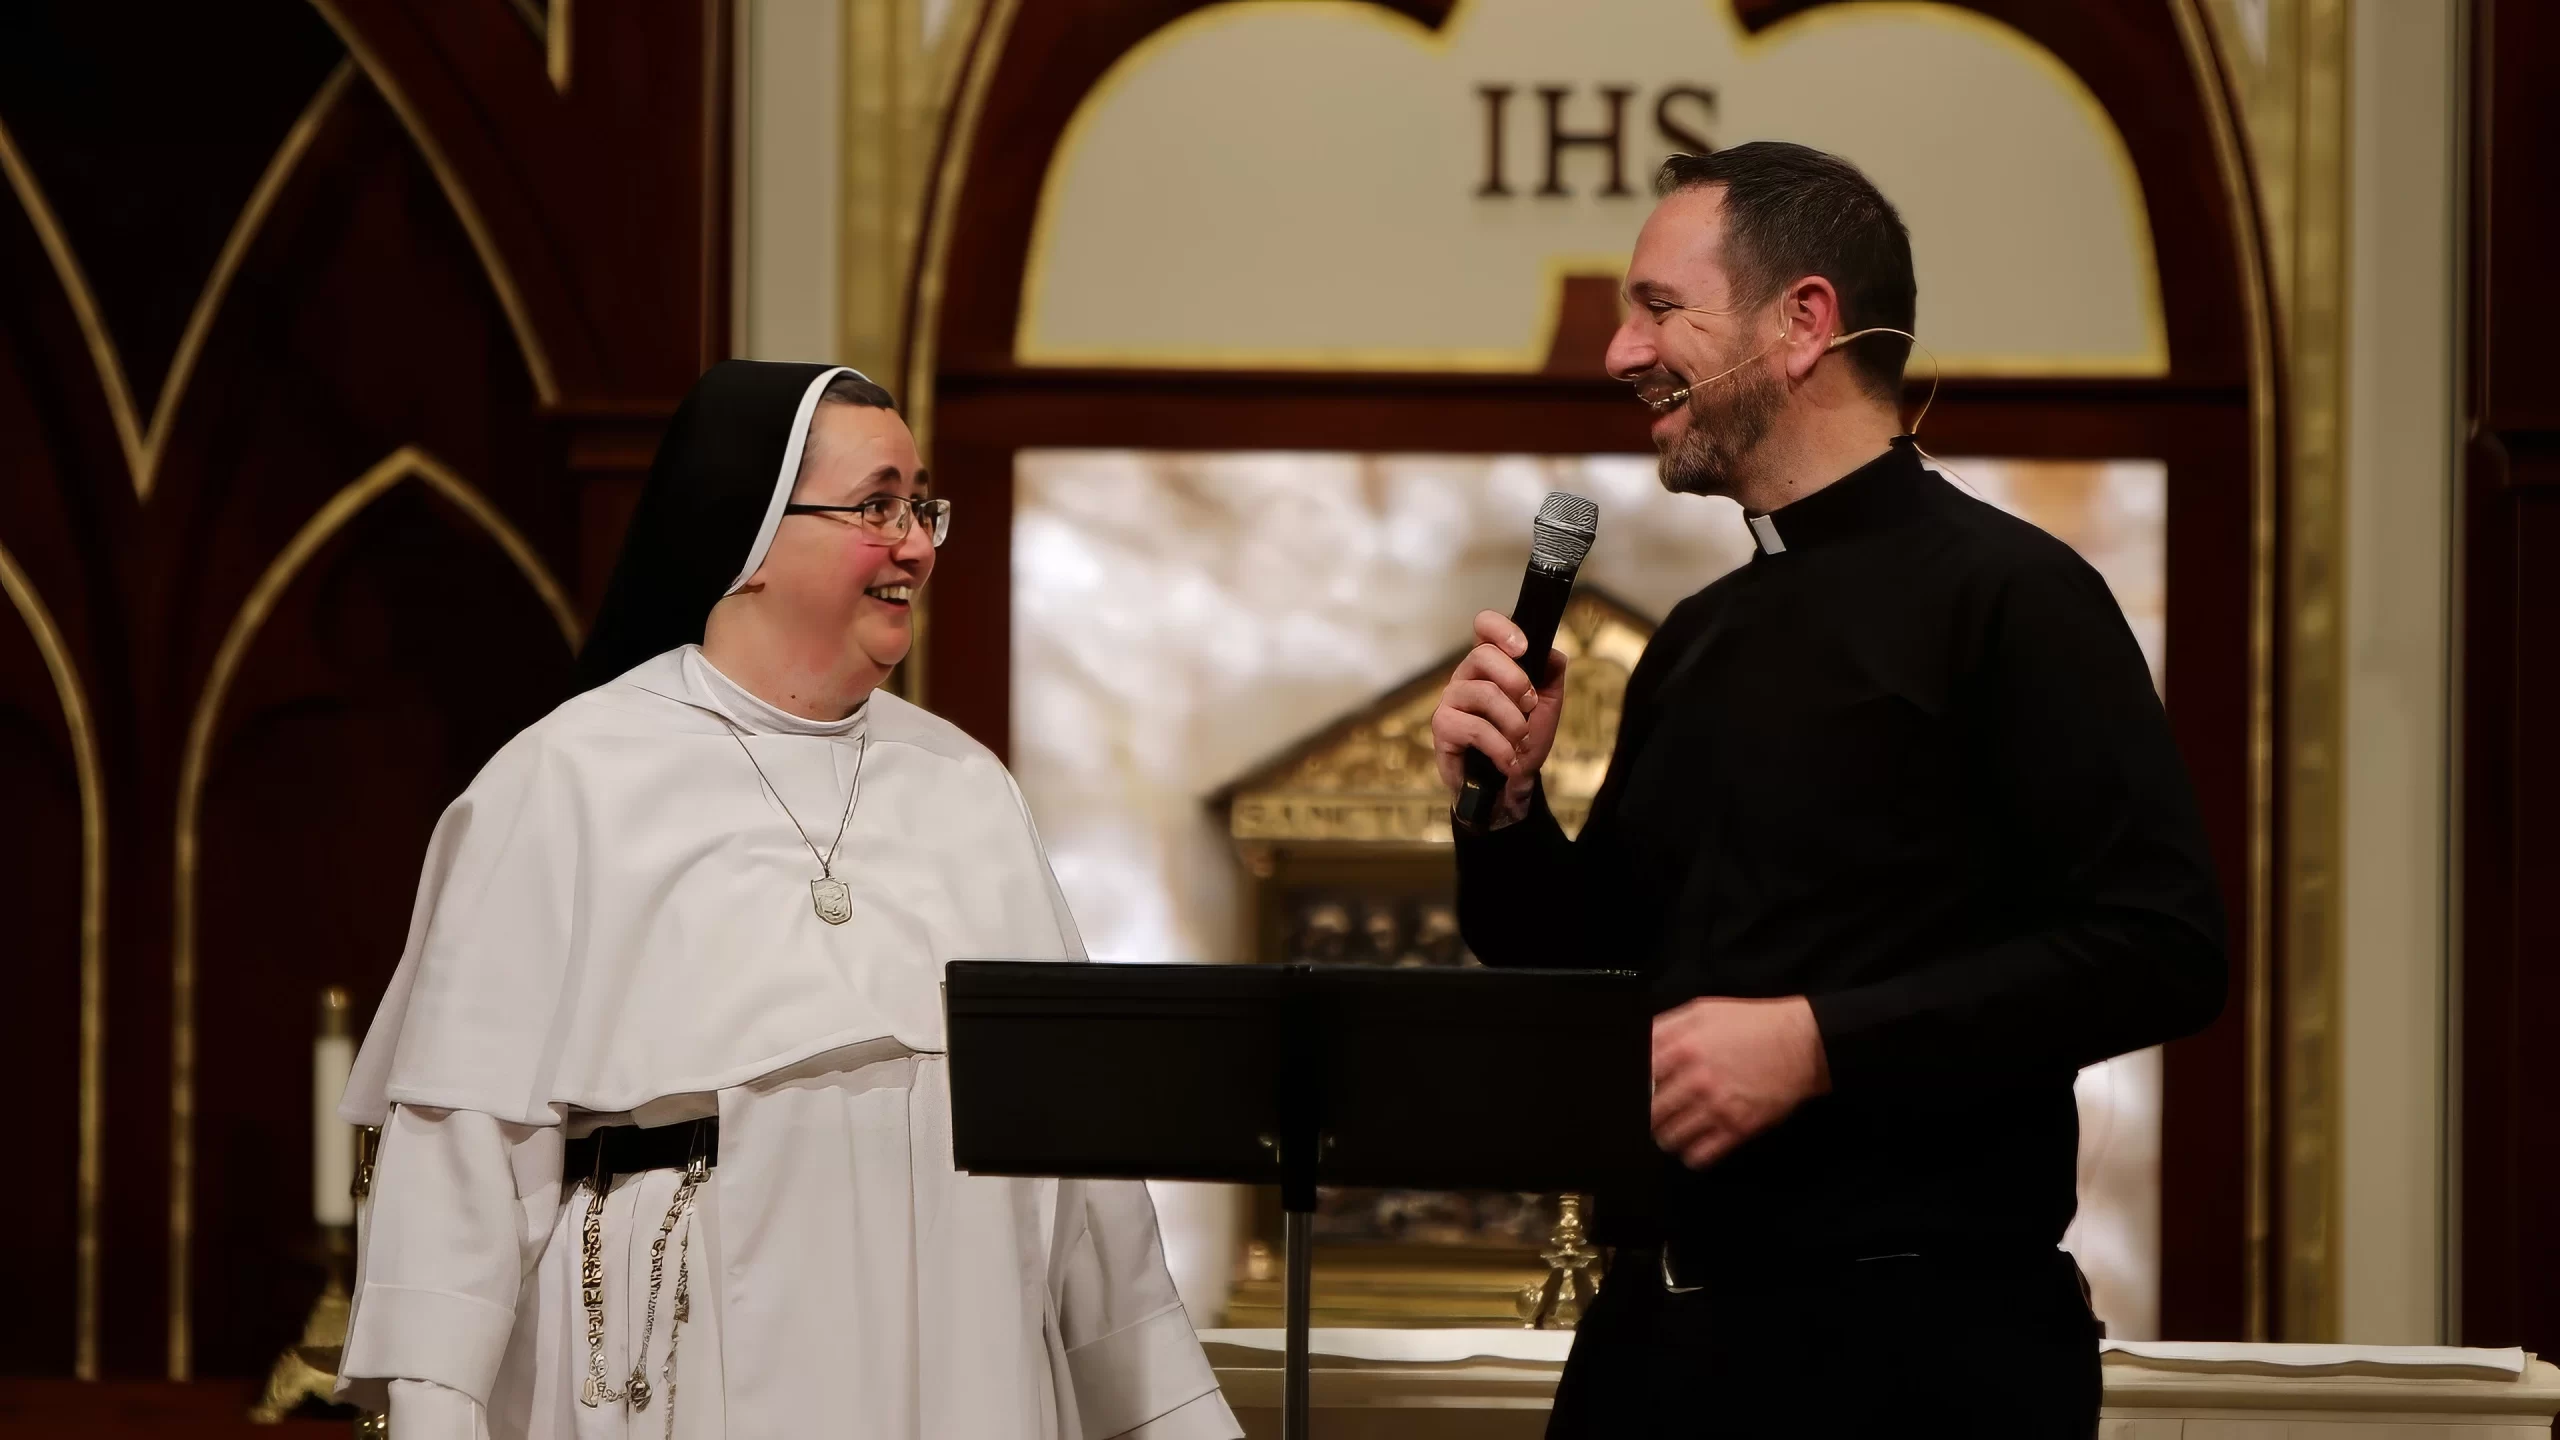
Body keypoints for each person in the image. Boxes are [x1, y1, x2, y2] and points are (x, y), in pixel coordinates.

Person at [1430, 142, 2226, 1435]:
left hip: (1916, 1358)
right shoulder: (1700, 637)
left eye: (1659, 307)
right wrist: (1510, 818)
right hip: (1662, 1348)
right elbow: (1589, 971)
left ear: (1802, 323)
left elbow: (2164, 949)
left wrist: (1820, 1044)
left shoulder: (2014, 598)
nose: (1622, 353)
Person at [334, 361, 1241, 1440]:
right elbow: (459, 1153)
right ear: (754, 533)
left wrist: (1176, 1418)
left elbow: (1085, 1186)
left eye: (921, 506)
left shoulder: (969, 790)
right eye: (877, 505)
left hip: (966, 1371)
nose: (915, 542)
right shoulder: (566, 780)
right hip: (689, 1373)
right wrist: (438, 1412)